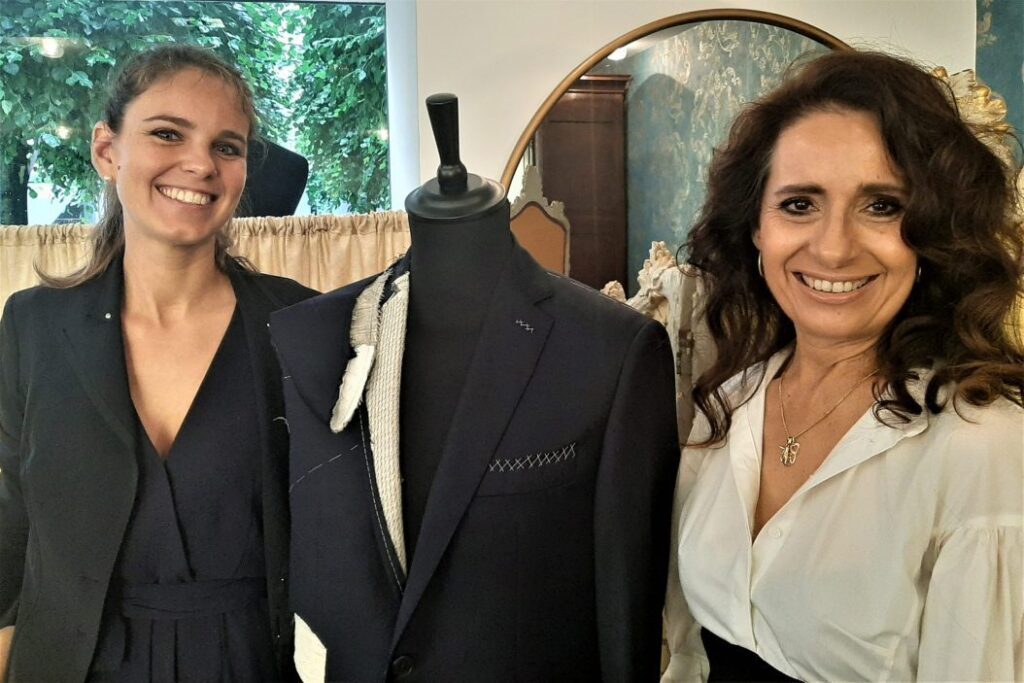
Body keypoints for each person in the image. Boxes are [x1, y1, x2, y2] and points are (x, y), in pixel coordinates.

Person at [663, 50, 1023, 682]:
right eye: (799, 204)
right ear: (756, 228)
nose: (833, 249)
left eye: (881, 205)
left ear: (934, 231)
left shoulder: (981, 447)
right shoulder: (734, 399)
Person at [0, 45, 316, 682]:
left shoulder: (302, 325)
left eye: (226, 146)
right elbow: (12, 518)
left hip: (246, 665)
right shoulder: (33, 325)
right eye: (168, 133)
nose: (200, 163)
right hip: (63, 663)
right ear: (106, 150)